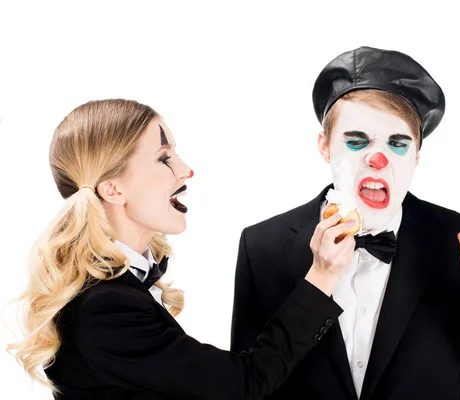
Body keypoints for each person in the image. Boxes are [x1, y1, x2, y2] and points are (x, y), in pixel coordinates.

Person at [230, 46, 460, 400]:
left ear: (416, 156)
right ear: (324, 146)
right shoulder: (262, 246)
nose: (377, 159)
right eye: (357, 141)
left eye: (397, 143)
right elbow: (245, 389)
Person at [7, 99, 357, 399]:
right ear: (113, 190)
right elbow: (243, 386)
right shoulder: (105, 308)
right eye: (164, 158)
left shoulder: (117, 290)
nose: (186, 170)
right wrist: (322, 276)